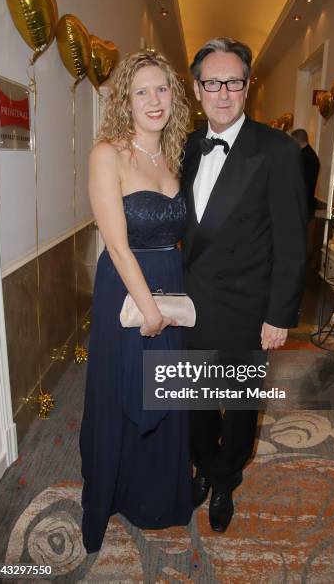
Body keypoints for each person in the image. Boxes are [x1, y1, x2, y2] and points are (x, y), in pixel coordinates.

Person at [181, 38, 308, 533]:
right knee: (193, 400)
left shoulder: (275, 150)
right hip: (191, 305)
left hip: (246, 307)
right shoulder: (188, 145)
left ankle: (226, 478)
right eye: (212, 83)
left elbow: (293, 243)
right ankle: (201, 464)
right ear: (196, 90)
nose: (223, 93)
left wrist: (279, 315)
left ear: (247, 86)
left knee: (238, 406)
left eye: (233, 81)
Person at [79, 51, 192, 554]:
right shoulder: (108, 153)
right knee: (128, 388)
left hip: (170, 278)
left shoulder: (173, 153)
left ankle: (158, 492)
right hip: (127, 287)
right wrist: (149, 308)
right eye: (142, 90)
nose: (154, 100)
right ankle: (115, 489)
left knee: (165, 389)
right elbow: (117, 245)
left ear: (175, 96)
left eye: (162, 89)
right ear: (125, 99)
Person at [291, 128, 320, 219]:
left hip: (300, 203)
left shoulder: (303, 156)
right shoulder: (311, 154)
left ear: (296, 140)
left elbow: (296, 180)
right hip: (306, 202)